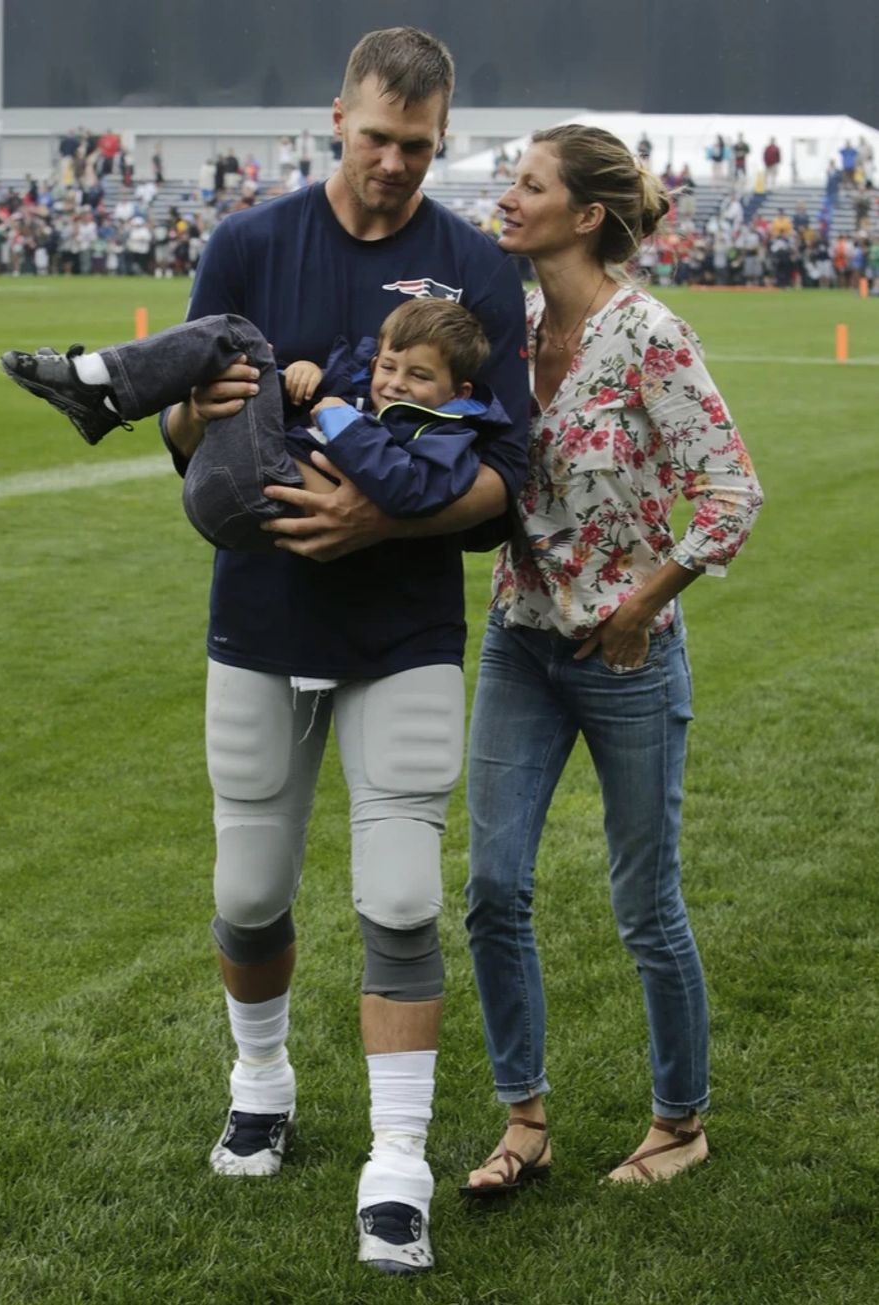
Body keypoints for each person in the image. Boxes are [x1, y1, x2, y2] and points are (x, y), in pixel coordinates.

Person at [156, 27, 528, 1276]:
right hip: (261, 615)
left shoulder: (473, 266)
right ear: (337, 118)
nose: (393, 165)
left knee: (403, 895)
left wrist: (386, 507)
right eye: (376, 138)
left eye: (418, 147)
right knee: (250, 891)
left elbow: (508, 479)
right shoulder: (249, 243)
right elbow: (181, 442)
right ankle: (259, 1079)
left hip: (402, 623)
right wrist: (185, 408)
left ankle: (399, 1161)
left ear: (443, 140)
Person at [460, 124, 763, 1195]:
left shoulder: (649, 336)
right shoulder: (509, 325)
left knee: (646, 905)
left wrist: (645, 602)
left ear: (583, 216)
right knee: (492, 889)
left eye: (528, 184)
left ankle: (680, 1122)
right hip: (518, 643)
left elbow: (732, 497)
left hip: (627, 657)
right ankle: (524, 1123)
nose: (509, 197)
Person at [0, 296, 507, 546]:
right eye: (388, 367)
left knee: (239, 337)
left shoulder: (450, 434)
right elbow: (312, 420)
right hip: (230, 481)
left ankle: (98, 388)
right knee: (248, 355)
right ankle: (100, 389)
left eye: (418, 375)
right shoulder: (360, 398)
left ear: (458, 392)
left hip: (264, 492)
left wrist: (338, 419)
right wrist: (295, 381)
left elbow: (406, 489)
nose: (395, 383)